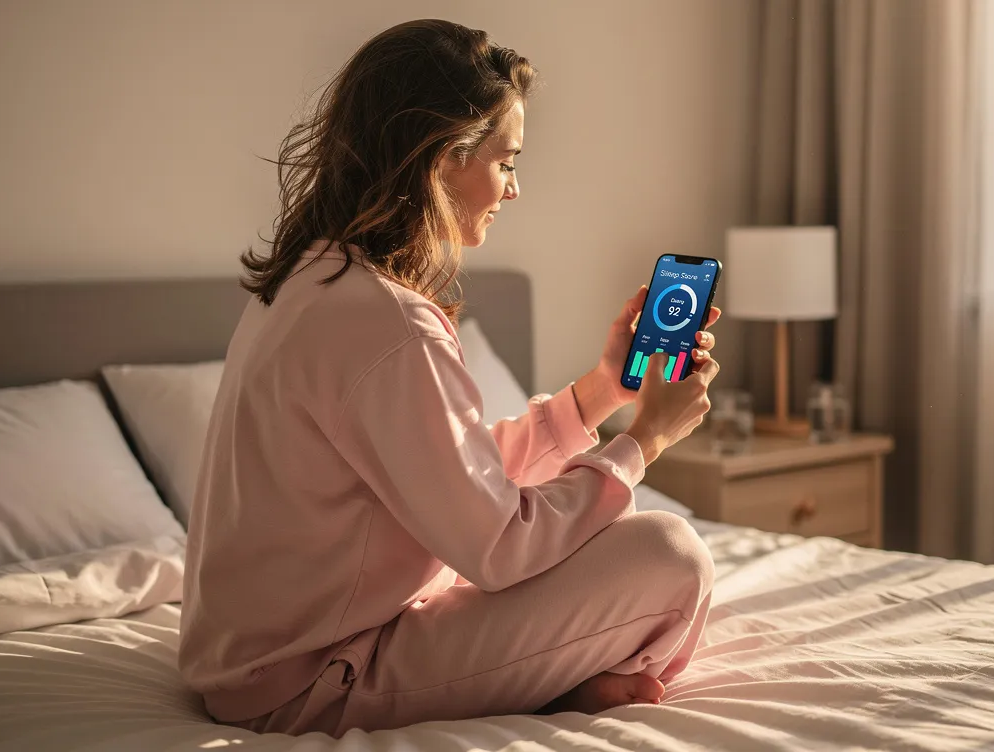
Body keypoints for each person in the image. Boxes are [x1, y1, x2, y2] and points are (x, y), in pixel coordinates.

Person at [178, 19, 722, 736]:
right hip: (310, 681)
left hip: (265, 663)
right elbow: (498, 544)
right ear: (440, 159)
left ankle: (555, 680)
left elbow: (451, 480)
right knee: (670, 557)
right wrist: (644, 440)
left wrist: (599, 394)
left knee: (628, 548)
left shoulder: (311, 281)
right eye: (506, 161)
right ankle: (554, 683)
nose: (514, 189)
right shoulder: (387, 324)